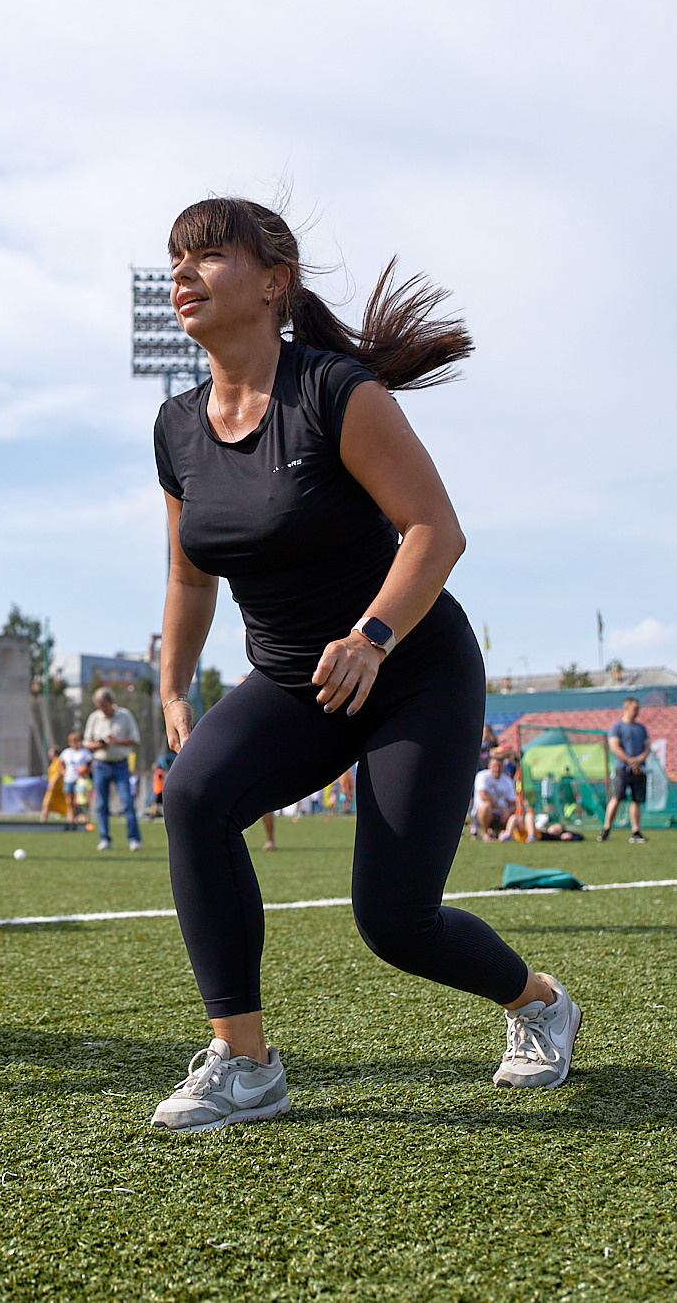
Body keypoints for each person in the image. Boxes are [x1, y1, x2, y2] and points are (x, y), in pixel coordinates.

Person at [147, 196, 579, 1132]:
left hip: (409, 667)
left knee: (396, 923)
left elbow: (437, 530)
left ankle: (538, 1000)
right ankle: (247, 1063)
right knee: (194, 797)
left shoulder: (335, 391)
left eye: (208, 256)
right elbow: (188, 576)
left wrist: (372, 635)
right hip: (295, 679)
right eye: (175, 259)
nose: (182, 274)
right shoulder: (176, 427)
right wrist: (174, 683)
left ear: (273, 282)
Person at [84, 686, 143, 851]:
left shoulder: (125, 715)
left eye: (104, 705)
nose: (102, 709)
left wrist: (116, 741)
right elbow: (86, 744)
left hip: (120, 765)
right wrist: (99, 744)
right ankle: (104, 839)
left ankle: (134, 839)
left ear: (112, 702)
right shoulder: (94, 718)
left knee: (127, 802)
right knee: (101, 804)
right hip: (100, 765)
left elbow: (134, 740)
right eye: (99, 705)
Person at [596, 697, 650, 844]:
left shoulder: (641, 728)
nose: (638, 711)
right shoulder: (616, 727)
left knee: (636, 800)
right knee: (617, 797)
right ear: (626, 708)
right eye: (635, 708)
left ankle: (636, 831)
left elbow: (647, 748)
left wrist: (638, 760)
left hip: (639, 769)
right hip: (623, 769)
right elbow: (614, 747)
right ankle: (606, 829)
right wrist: (629, 760)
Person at [472, 752, 516, 841]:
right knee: (486, 806)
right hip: (484, 813)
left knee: (514, 817)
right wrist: (500, 809)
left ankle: (506, 834)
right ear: (489, 766)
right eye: (495, 766)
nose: (497, 769)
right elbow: (483, 795)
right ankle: (485, 833)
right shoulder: (482, 776)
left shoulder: (507, 781)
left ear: (503, 767)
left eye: (499, 766)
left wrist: (507, 812)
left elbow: (512, 803)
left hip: (501, 815)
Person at [59, 733, 94, 825]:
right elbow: (59, 762)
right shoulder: (66, 752)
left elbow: (91, 762)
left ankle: (82, 817)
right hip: (69, 778)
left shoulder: (84, 752)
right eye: (72, 741)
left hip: (80, 780)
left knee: (77, 801)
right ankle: (71, 818)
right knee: (69, 801)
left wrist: (87, 771)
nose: (74, 743)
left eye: (76, 741)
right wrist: (63, 771)